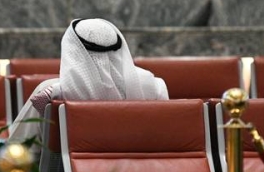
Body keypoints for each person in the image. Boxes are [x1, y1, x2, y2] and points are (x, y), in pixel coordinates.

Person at [9, 18, 169, 145]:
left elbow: (20, 147)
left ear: (73, 51)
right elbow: (165, 140)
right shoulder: (154, 86)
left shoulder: (50, 94)